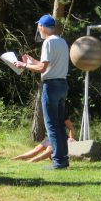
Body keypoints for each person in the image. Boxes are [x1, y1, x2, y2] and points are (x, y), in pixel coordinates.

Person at [14, 14, 70, 170]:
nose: (38, 29)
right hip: (62, 84)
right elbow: (46, 65)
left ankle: (58, 162)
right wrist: (32, 62)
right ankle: (63, 159)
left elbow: (42, 69)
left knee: (51, 125)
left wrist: (23, 65)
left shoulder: (48, 42)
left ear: (43, 27)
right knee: (59, 124)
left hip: (51, 86)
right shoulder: (62, 41)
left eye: (39, 26)